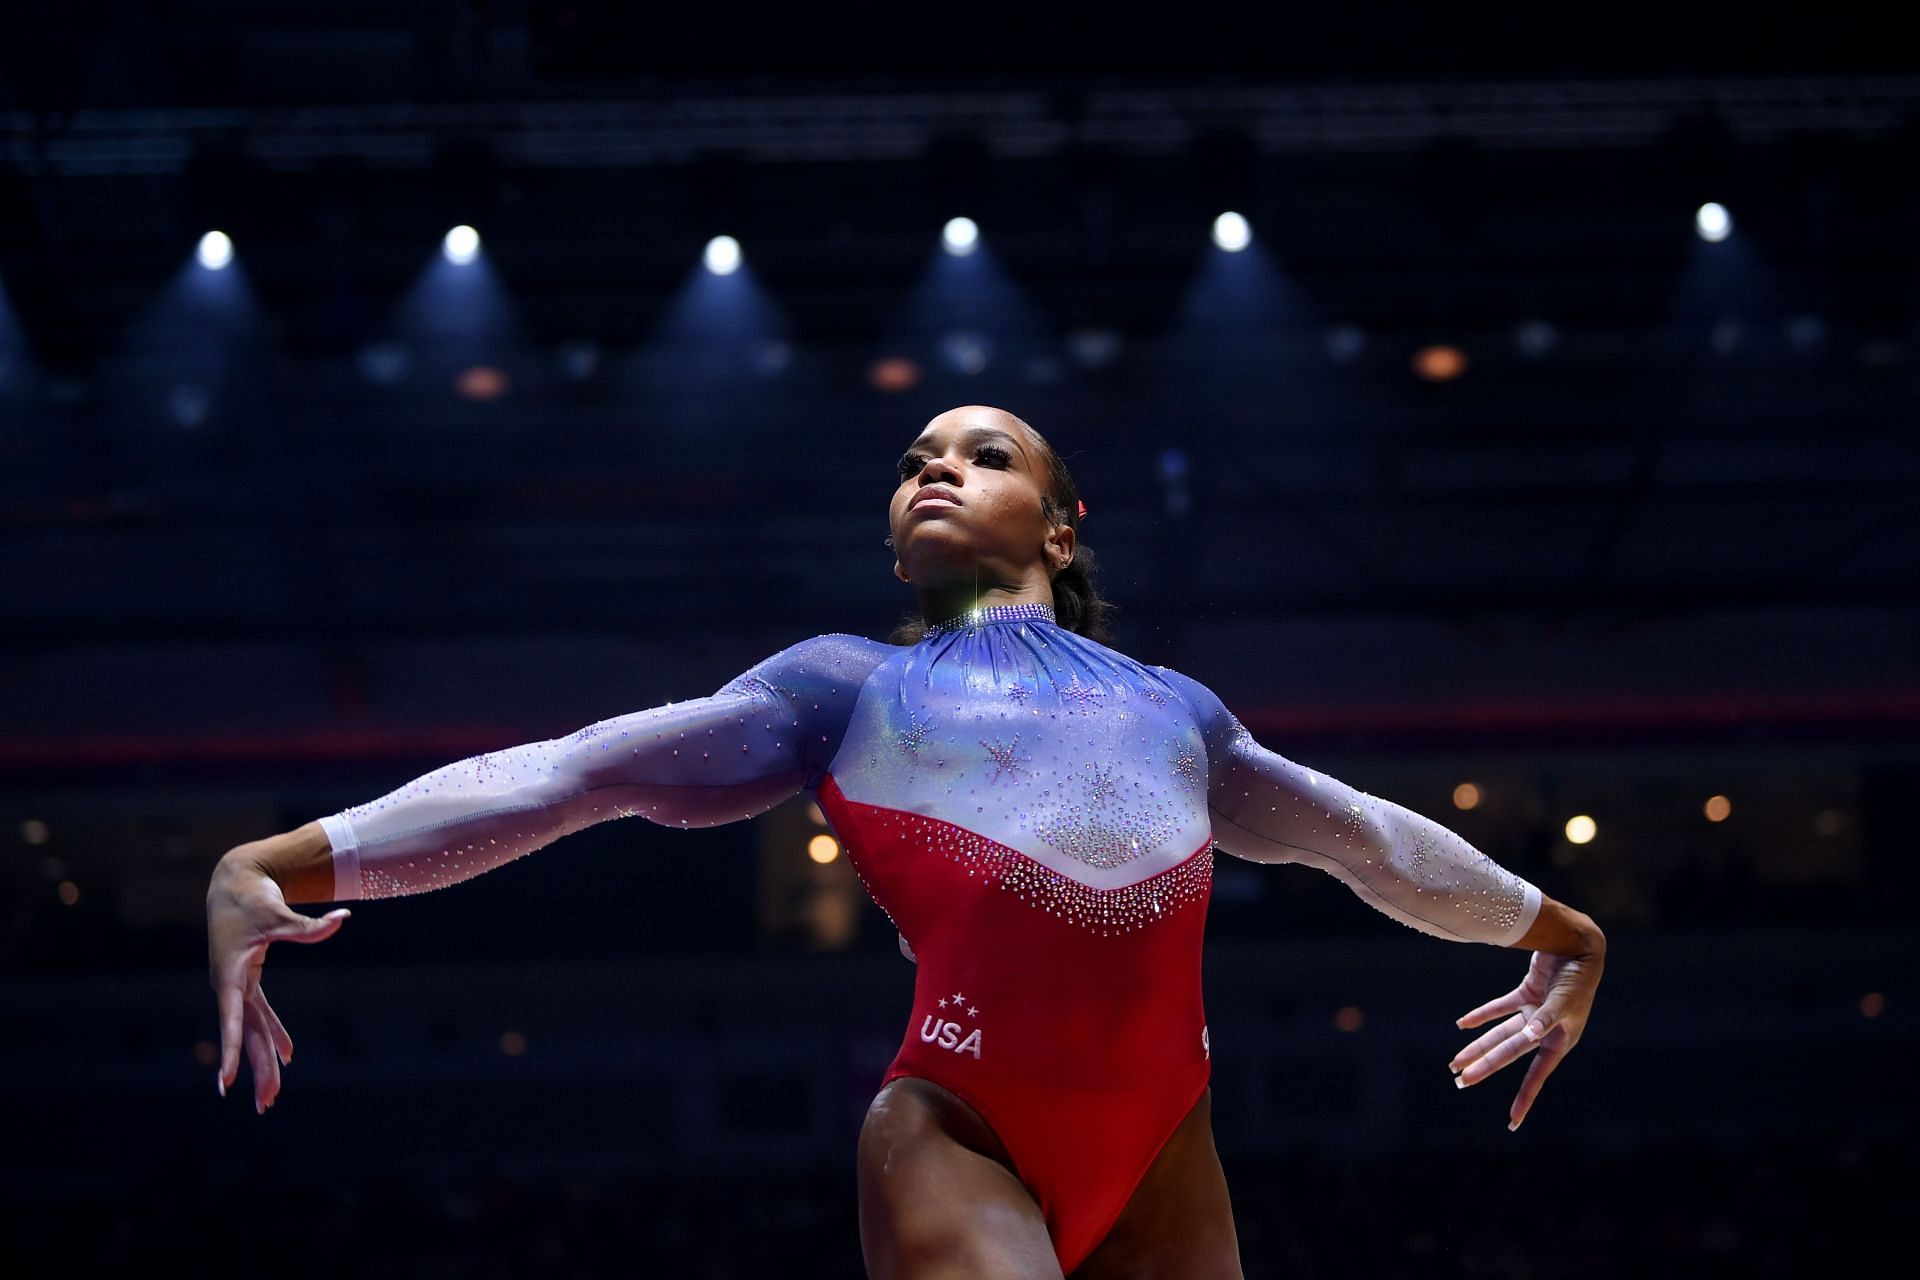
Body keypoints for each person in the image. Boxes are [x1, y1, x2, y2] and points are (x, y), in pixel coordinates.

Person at [207, 403, 1606, 1278]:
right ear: (894, 541)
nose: (936, 468)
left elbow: (1370, 844)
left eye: (982, 455)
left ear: (1061, 524)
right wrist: (281, 861)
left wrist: (1560, 927)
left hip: (1168, 1153)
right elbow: (567, 776)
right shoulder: (841, 688)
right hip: (957, 1131)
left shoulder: (1184, 716)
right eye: (916, 461)